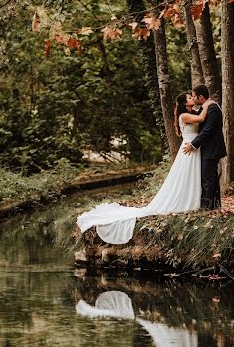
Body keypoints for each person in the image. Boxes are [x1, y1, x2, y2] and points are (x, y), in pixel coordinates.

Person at [76, 93, 211, 245]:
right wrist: (207, 104)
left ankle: (195, 199)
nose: (193, 98)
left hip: (194, 147)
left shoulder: (191, 112)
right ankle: (187, 201)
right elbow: (201, 119)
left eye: (193, 97)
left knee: (191, 176)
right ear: (185, 103)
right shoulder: (184, 116)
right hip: (189, 148)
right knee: (186, 176)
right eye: (190, 97)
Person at [183, 84, 227, 210]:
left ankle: (206, 208)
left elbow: (207, 130)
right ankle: (215, 206)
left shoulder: (212, 107)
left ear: (200, 97)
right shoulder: (206, 107)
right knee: (210, 177)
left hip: (212, 148)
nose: (193, 98)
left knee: (207, 179)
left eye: (194, 96)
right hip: (208, 148)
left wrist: (193, 144)